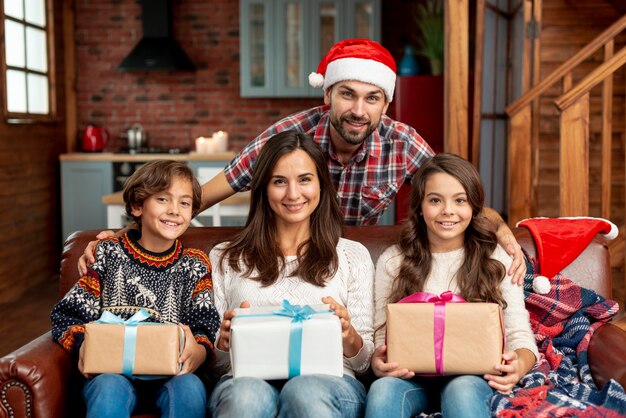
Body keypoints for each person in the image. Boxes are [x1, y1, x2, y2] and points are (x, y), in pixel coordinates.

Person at [77, 38, 526, 284]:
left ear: (385, 105)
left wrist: (502, 228)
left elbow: (454, 194)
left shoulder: (403, 143)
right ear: (327, 93)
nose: (358, 109)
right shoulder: (290, 135)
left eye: (372, 99)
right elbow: (215, 189)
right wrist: (137, 232)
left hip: (352, 262)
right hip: (293, 253)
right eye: (347, 94)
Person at [207, 130, 375, 418]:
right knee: (246, 397)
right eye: (279, 182)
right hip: (245, 381)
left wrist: (349, 335)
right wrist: (222, 344)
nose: (293, 194)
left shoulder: (351, 255)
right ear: (263, 188)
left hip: (332, 383)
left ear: (321, 184)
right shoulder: (226, 257)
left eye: (304, 180)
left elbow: (363, 363)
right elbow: (215, 363)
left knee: (304, 391)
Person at [364, 153, 538, 418]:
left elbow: (518, 332)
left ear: (474, 207)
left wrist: (520, 364)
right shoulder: (393, 261)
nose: (448, 210)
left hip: (473, 376)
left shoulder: (495, 258)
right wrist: (378, 362)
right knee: (382, 390)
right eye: (435, 200)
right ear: (420, 207)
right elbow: (382, 335)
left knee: (462, 390)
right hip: (410, 378)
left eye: (460, 200)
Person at [51, 160, 221, 418]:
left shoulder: (194, 264)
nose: (175, 210)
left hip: (174, 374)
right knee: (108, 389)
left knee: (189, 388)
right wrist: (82, 345)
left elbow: (205, 322)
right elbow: (67, 315)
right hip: (112, 372)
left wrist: (200, 349)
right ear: (137, 206)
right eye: (163, 199)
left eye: (184, 203)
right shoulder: (108, 253)